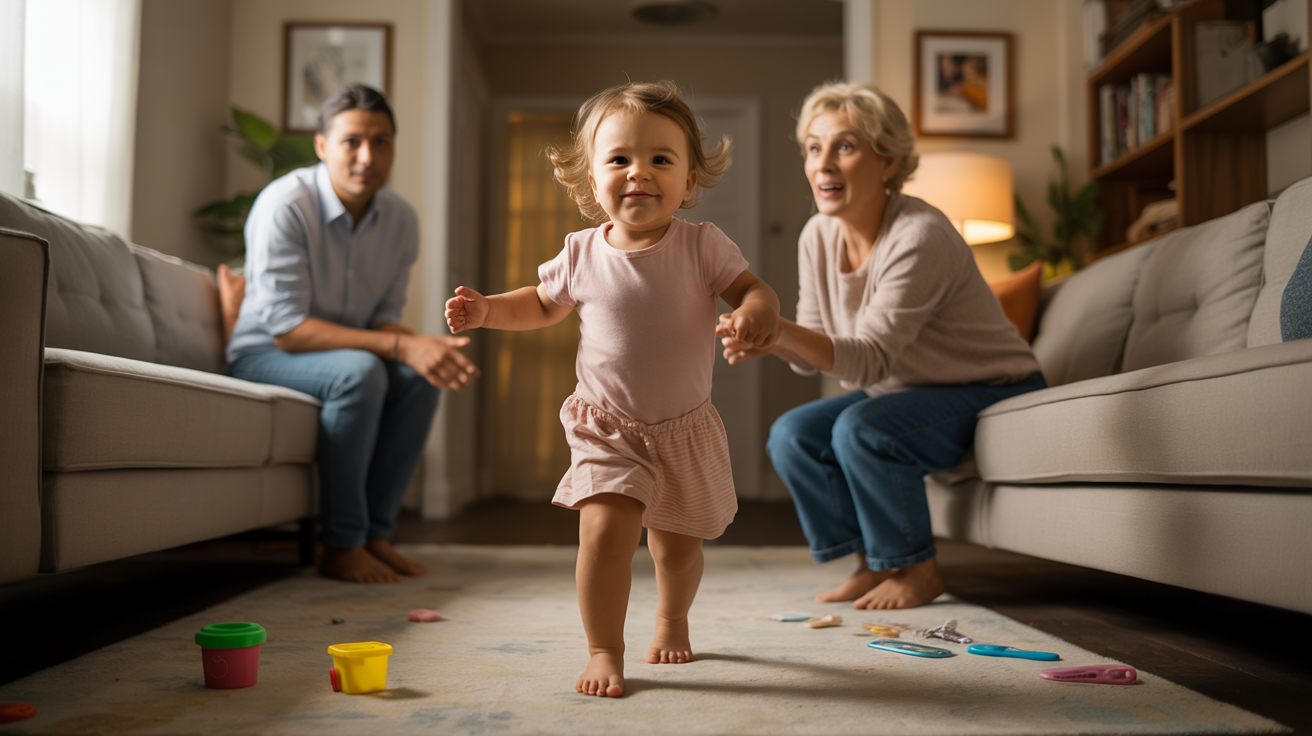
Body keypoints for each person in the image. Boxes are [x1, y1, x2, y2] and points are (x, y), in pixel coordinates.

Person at [445, 81, 779, 698]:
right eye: (619, 158)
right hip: (607, 426)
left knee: (677, 550)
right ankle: (605, 648)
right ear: (589, 178)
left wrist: (757, 310)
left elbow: (755, 290)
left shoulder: (703, 246)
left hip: (683, 426)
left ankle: (673, 616)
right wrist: (489, 309)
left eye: (660, 159)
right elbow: (541, 304)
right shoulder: (580, 253)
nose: (639, 173)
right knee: (602, 535)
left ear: (689, 181)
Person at [718, 81, 1046, 611]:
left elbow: (867, 359)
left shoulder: (920, 235)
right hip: (907, 389)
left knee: (862, 428)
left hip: (992, 388)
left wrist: (778, 329)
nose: (823, 163)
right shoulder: (816, 235)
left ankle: (917, 570)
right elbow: (816, 343)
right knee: (793, 434)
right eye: (814, 147)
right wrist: (768, 341)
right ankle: (871, 564)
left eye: (845, 147)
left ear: (888, 162)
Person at [227, 84, 479, 584]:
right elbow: (289, 332)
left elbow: (383, 320)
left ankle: (375, 534)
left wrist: (422, 351)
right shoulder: (286, 206)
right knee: (361, 372)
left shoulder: (401, 220)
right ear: (322, 146)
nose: (368, 156)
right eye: (352, 142)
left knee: (418, 377)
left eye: (382, 141)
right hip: (264, 353)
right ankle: (340, 544)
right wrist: (400, 345)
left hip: (342, 354)